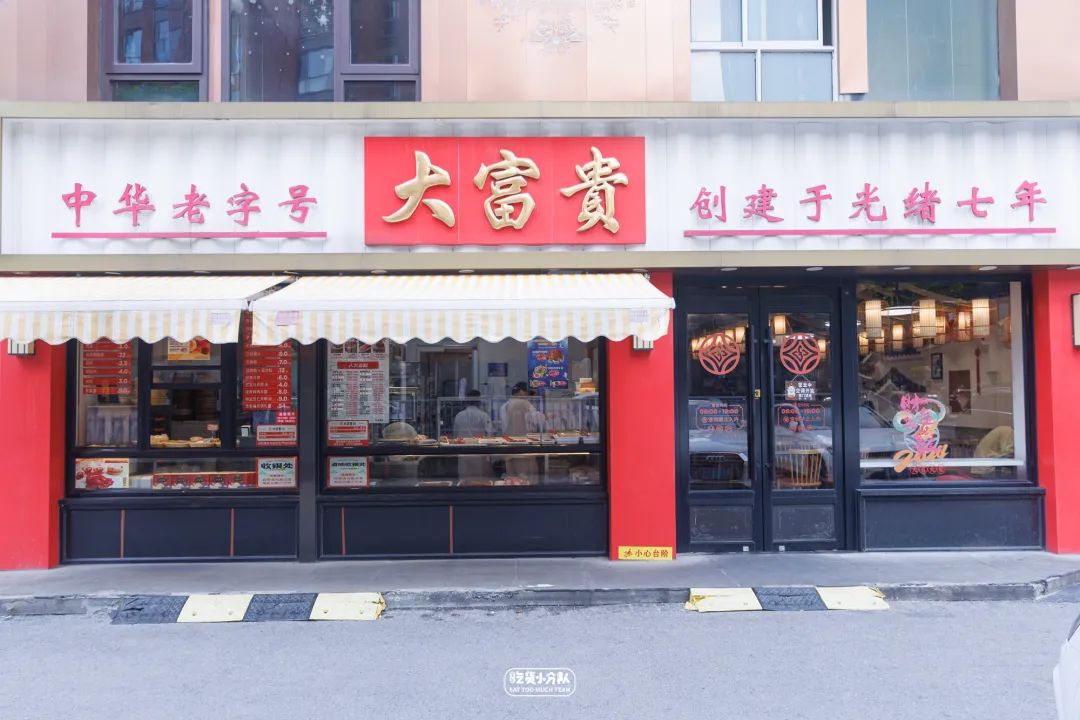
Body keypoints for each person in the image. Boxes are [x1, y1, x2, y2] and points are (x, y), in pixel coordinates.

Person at [500, 382, 542, 483]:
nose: (527, 396)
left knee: (512, 480)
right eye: (526, 392)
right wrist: (548, 416)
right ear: (521, 391)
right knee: (526, 480)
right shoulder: (525, 403)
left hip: (509, 447)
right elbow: (537, 420)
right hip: (525, 447)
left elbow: (503, 427)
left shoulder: (504, 406)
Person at [453, 390, 493, 483]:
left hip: (463, 452)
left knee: (464, 481)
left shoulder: (459, 415)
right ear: (479, 401)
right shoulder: (484, 415)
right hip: (479, 453)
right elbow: (489, 435)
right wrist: (488, 456)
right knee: (479, 482)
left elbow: (455, 435)